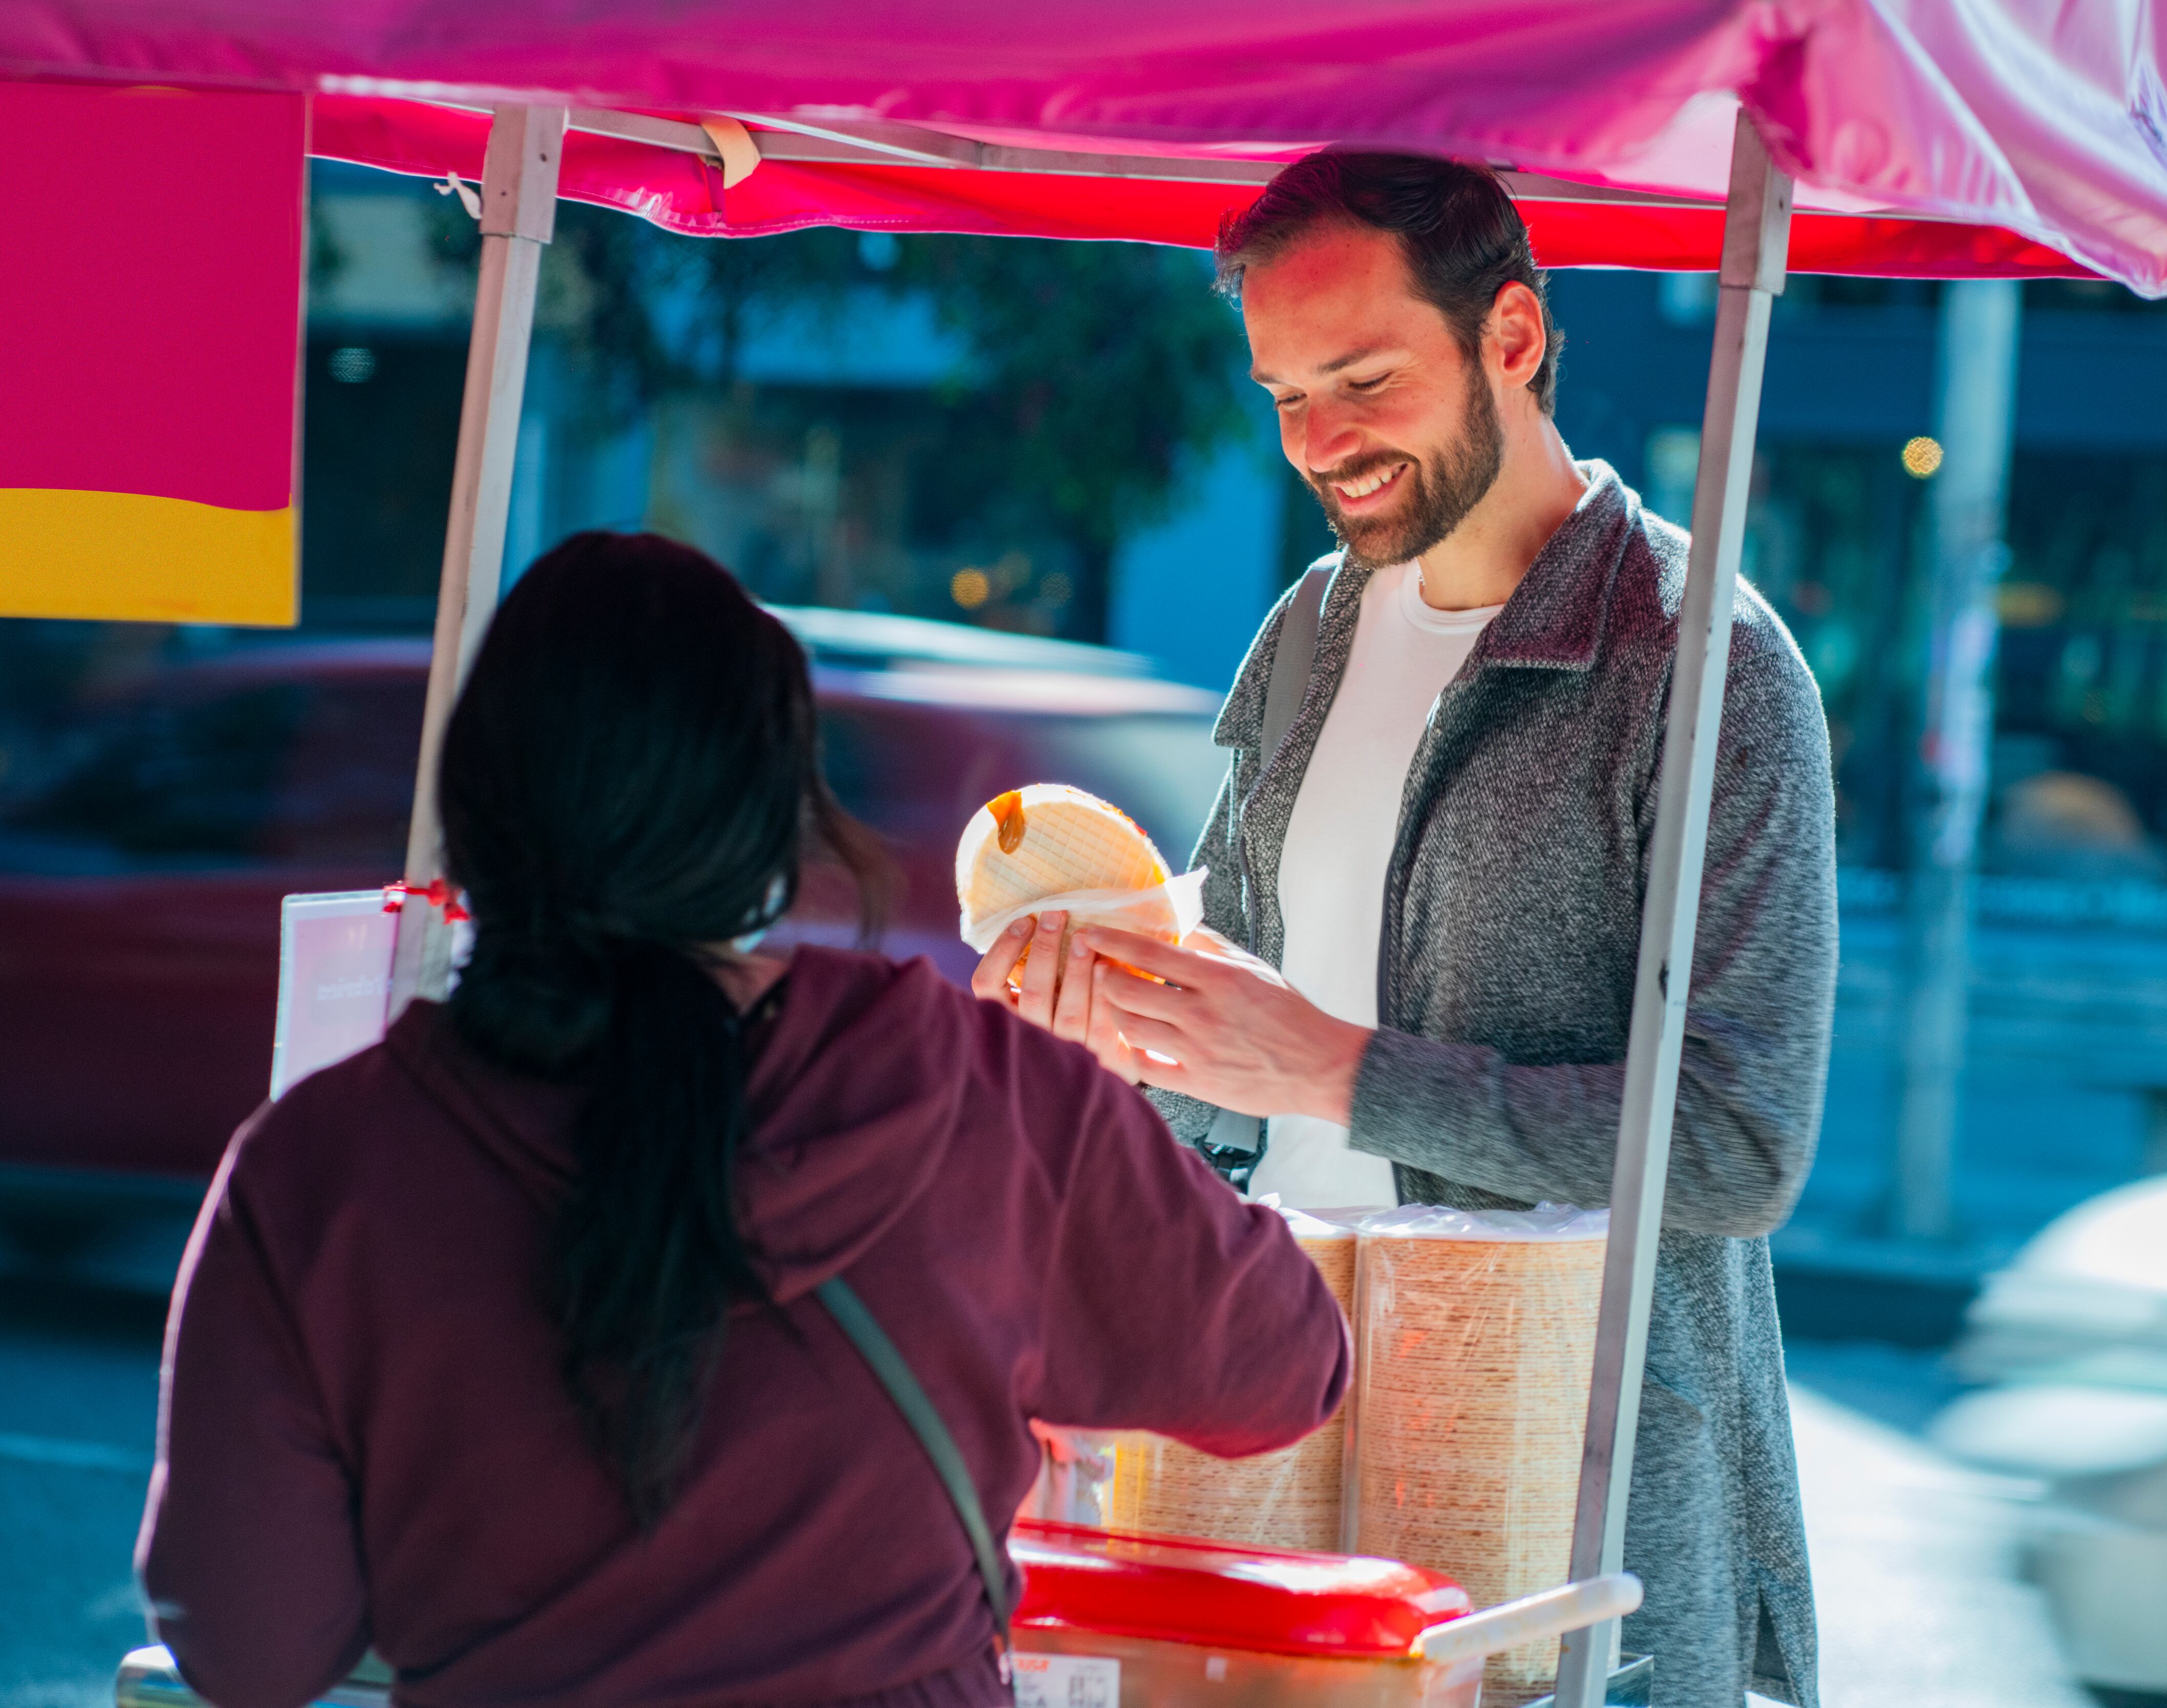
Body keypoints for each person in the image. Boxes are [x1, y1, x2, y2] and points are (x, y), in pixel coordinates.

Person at [139, 533, 1350, 1708]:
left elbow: (248, 1651)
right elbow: (1290, 1367)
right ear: (777, 819)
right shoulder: (987, 1092)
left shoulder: (321, 1168)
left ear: (481, 805)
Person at [975, 154, 1836, 1705]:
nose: (1321, 444)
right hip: (1272, 1484)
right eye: (1287, 395)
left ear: (1513, 337)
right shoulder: (1302, 632)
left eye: (1364, 381)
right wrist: (1113, 1029)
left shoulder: (1709, 664)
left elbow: (1736, 1147)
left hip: (1567, 1511)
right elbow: (1224, 1083)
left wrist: (1341, 1074)